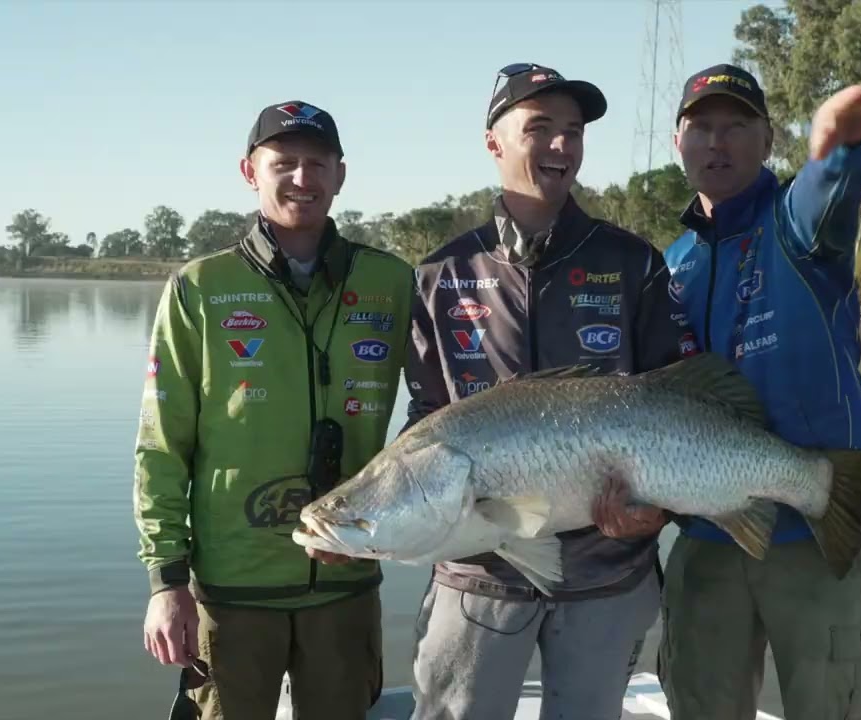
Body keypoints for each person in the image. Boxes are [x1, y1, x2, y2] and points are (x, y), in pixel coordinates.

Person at [402, 63, 695, 720]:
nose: (562, 146)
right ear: (494, 142)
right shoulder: (439, 274)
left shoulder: (633, 262)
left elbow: (678, 408)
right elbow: (424, 418)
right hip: (478, 574)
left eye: (573, 131)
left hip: (610, 572)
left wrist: (659, 512)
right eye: (540, 128)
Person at [653, 64, 861, 719]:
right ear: (677, 143)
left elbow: (827, 189)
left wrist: (837, 147)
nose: (717, 142)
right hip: (707, 537)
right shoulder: (671, 265)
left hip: (815, 530)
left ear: (767, 138)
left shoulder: (797, 227)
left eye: (736, 126)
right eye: (702, 127)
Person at [134, 99, 413, 720]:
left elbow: (437, 415)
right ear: (249, 170)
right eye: (284, 162)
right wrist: (166, 581)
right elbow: (161, 444)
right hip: (231, 590)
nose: (303, 179)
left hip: (347, 579)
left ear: (341, 174)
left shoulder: (392, 281)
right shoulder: (199, 288)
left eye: (318, 163)